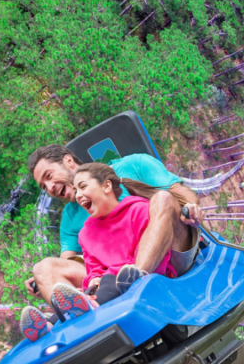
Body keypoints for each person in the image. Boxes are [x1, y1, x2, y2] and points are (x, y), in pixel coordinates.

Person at [21, 162, 189, 341]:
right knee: (96, 288)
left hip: (138, 277)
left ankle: (84, 308)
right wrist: (93, 279)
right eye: (76, 191)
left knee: (110, 281)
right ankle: (49, 325)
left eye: (83, 187)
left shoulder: (137, 211)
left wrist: (122, 273)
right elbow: (93, 267)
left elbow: (154, 249)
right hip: (108, 286)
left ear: (106, 186)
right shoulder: (86, 233)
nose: (78, 195)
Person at [23, 145, 203, 305]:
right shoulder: (71, 218)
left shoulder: (133, 166)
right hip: (115, 272)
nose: (50, 187)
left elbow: (182, 195)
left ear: (68, 161)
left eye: (49, 176)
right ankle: (71, 312)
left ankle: (136, 279)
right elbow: (69, 263)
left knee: (163, 199)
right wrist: (45, 281)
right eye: (44, 187)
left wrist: (190, 209)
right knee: (43, 269)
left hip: (169, 255)